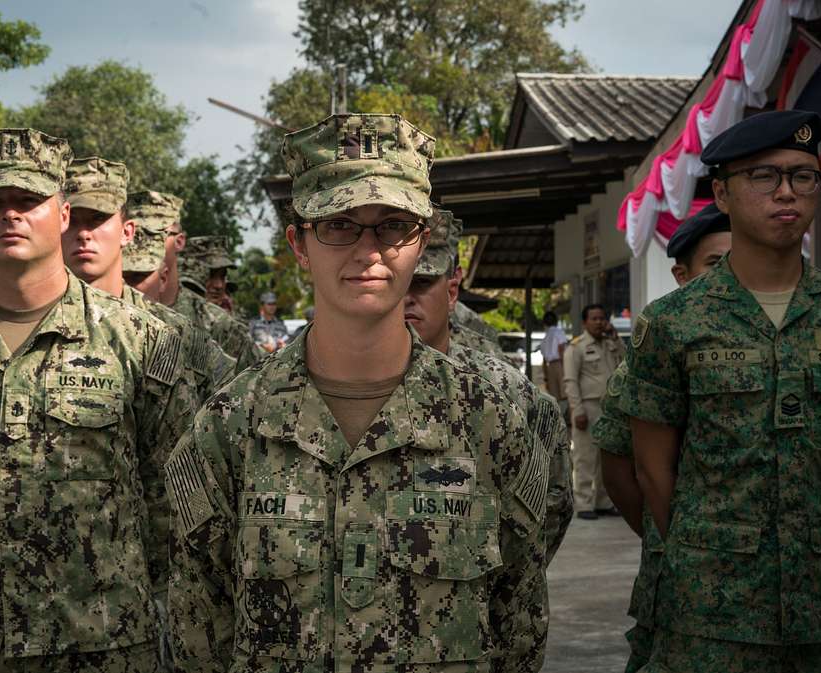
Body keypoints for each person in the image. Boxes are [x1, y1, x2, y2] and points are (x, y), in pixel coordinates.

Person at [166, 113, 549, 673]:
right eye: (340, 224)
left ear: (421, 243)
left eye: (392, 225)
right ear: (300, 244)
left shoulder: (490, 418)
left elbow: (520, 621)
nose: (368, 249)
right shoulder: (229, 424)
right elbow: (199, 629)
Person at [0, 128, 198, 672]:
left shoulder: (141, 339)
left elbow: (170, 496)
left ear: (61, 214)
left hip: (103, 645)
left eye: (29, 201)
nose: (11, 215)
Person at [621, 110, 821, 672]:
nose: (786, 192)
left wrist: (802, 522)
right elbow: (651, 470)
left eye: (802, 175)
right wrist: (711, 547)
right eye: (763, 176)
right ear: (721, 192)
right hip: (711, 609)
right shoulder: (675, 322)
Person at [594, 202, 731, 673]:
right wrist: (668, 533)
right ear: (681, 274)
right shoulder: (653, 353)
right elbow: (620, 469)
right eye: (715, 264)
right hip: (679, 565)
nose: (729, 278)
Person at [404, 206, 573, 563]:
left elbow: (547, 510)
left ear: (452, 289)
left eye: (420, 283)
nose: (404, 298)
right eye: (394, 283)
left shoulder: (501, 390)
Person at [62, 158, 235, 403]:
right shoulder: (28, 323)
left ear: (127, 232)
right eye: (72, 220)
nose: (83, 233)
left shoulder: (172, 334)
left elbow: (239, 404)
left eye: (97, 219)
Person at [123, 192, 261, 372]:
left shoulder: (217, 325)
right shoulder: (104, 313)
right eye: (135, 234)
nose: (142, 243)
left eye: (156, 233)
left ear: (179, 241)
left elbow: (259, 385)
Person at [562, 303, 623, 520]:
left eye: (602, 318)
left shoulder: (610, 343)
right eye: (594, 319)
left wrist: (616, 338)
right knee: (585, 457)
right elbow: (570, 381)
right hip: (588, 407)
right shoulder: (576, 347)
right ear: (585, 322)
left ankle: (603, 502)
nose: (599, 322)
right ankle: (584, 504)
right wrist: (577, 410)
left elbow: (625, 362)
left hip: (610, 408)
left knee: (605, 456)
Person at [539, 311, 568, 400]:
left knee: (555, 397)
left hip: (550, 367)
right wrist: (565, 368)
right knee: (565, 394)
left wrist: (546, 377)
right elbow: (561, 349)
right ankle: (566, 413)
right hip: (560, 364)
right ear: (556, 321)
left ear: (544, 323)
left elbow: (544, 360)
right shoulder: (559, 332)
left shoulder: (545, 337)